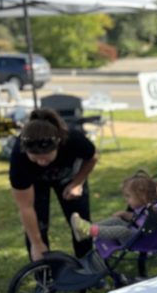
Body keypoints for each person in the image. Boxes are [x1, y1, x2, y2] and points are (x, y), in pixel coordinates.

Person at [9, 108, 98, 260]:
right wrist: (36, 244)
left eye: (46, 157)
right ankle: (43, 275)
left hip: (68, 175)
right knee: (38, 225)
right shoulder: (19, 156)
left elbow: (92, 157)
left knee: (81, 223)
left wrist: (78, 182)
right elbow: (26, 207)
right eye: (35, 158)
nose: (42, 162)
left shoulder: (72, 138)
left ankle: (88, 265)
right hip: (36, 182)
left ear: (58, 144)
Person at [70, 170, 157, 245]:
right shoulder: (142, 207)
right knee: (116, 221)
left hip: (142, 239)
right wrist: (124, 214)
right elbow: (138, 218)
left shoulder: (154, 208)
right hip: (135, 233)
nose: (126, 200)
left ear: (142, 196)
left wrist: (154, 212)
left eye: (128, 196)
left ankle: (89, 230)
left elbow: (148, 221)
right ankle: (87, 230)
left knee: (122, 230)